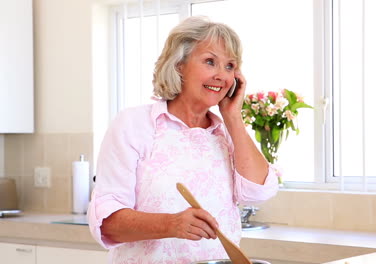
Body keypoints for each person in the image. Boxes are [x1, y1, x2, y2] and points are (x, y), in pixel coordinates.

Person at [87, 16, 279, 264]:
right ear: (179, 65)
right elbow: (107, 222)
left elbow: (259, 192)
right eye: (211, 62)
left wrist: (233, 117)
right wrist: (172, 224)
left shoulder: (225, 134)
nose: (222, 75)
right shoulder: (134, 125)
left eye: (230, 66)